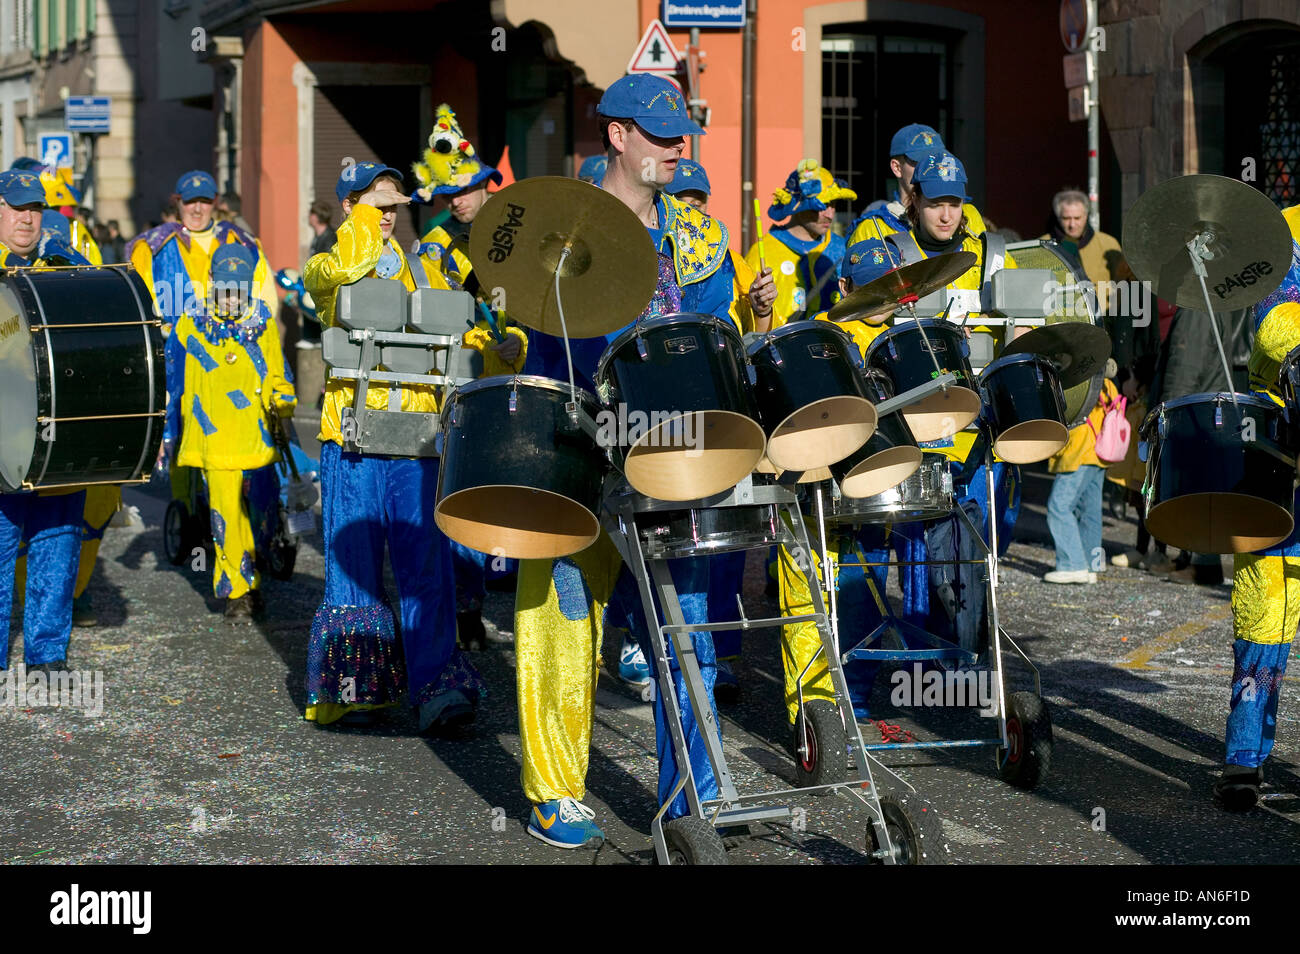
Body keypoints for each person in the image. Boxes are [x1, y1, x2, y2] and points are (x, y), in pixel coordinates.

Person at [514, 73, 738, 849]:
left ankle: (692, 797)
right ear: (616, 135)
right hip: (579, 443)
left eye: (683, 134)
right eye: (660, 133)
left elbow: (715, 333)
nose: (679, 147)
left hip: (675, 449)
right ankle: (554, 790)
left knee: (687, 623)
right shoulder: (557, 229)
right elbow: (532, 332)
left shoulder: (701, 235)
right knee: (563, 616)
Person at [303, 160, 484, 734]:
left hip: (415, 436)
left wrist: (491, 341)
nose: (387, 214)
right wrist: (359, 223)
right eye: (374, 203)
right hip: (352, 437)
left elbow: (457, 328)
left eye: (393, 204)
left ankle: (435, 686)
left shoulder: (424, 265)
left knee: (424, 563)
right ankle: (357, 688)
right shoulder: (326, 264)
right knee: (352, 567)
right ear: (350, 206)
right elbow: (347, 272)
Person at [409, 105, 530, 654]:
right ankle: (465, 609)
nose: (456, 200)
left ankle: (520, 591)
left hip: (517, 377)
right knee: (462, 492)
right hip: (460, 381)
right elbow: (422, 313)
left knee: (512, 489)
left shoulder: (519, 235)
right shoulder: (433, 248)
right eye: (447, 194)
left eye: (466, 188)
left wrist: (522, 340)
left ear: (488, 183)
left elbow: (540, 307)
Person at [661, 156, 777, 701]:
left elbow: (743, 336)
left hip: (719, 396)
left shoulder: (722, 256)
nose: (691, 208)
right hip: (664, 407)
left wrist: (760, 314)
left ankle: (719, 654)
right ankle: (651, 642)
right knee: (670, 533)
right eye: (681, 198)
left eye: (699, 199)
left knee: (727, 535)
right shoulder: (652, 248)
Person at [1214, 201, 1300, 810]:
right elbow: (1275, 317)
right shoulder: (1285, 229)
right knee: (1265, 612)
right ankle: (1246, 755)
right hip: (1279, 453)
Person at [161, 244, 296, 620]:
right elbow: (172, 380)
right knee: (223, 514)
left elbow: (275, 368)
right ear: (211, 283)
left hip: (255, 437)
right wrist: (167, 429)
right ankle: (238, 590)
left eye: (238, 287)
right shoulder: (191, 323)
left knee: (251, 513)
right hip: (213, 440)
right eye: (225, 287)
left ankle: (250, 579)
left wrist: (283, 396)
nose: (232, 296)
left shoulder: (262, 320)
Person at [0, 169, 93, 675]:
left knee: (57, 540)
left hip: (58, 433)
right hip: (2, 434)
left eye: (34, 208)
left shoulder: (66, 260)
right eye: (16, 208)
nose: (27, 218)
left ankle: (47, 654)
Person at [744, 159, 855, 324]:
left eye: (833, 205)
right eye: (822, 206)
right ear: (797, 206)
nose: (830, 215)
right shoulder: (764, 252)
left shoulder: (841, 248)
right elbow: (747, 320)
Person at [848, 124, 987, 245]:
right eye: (920, 162)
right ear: (897, 167)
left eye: (936, 162)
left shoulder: (968, 214)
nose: (929, 169)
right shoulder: (875, 227)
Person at [1043, 378, 1120, 584]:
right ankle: (1092, 565)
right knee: (1091, 512)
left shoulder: (1079, 380)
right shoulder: (1106, 382)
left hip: (1080, 450)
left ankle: (1073, 565)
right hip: (1100, 451)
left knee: (1059, 507)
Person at [1041, 189, 1126, 349]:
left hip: (1103, 327)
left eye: (1077, 218)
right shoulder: (1043, 247)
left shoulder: (1108, 244)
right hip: (1060, 330)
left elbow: (1122, 287)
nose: (1072, 224)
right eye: (1066, 218)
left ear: (1086, 216)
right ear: (1059, 217)